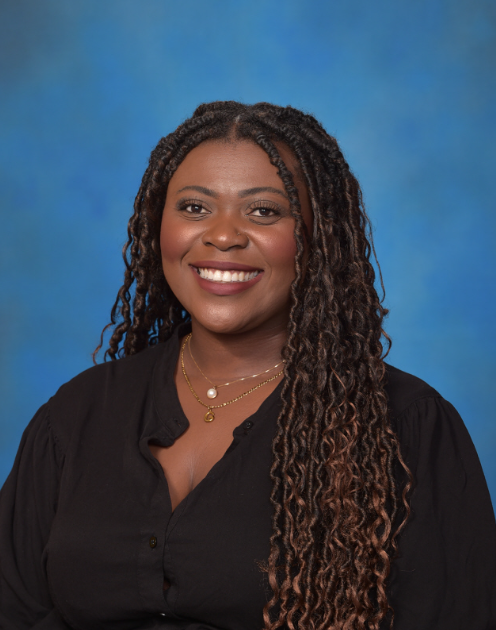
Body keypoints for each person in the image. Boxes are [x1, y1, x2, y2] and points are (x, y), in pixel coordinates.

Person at [1, 101, 495, 630]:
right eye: (194, 207)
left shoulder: (405, 427)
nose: (223, 235)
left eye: (264, 212)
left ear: (319, 235)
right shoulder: (78, 414)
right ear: (157, 223)